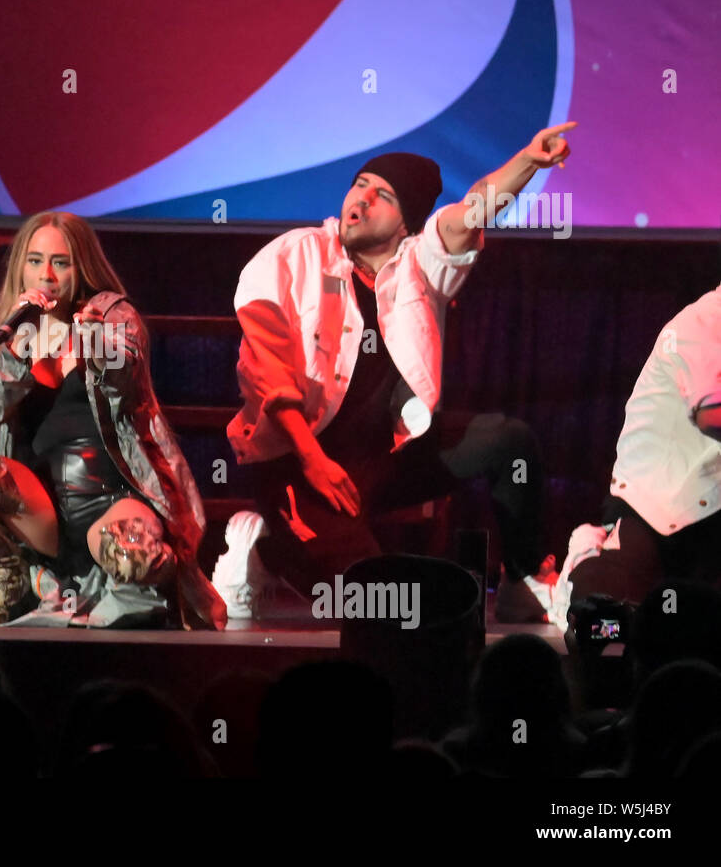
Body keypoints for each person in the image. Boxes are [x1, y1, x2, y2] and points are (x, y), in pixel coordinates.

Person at [228, 124, 577, 621]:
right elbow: (266, 367)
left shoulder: (420, 264)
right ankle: (262, 550)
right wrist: (310, 459)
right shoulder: (293, 255)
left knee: (508, 439)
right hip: (298, 461)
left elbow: (472, 209)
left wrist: (527, 161)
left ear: (405, 223)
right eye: (360, 184)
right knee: (377, 607)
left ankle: (521, 578)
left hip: (385, 462)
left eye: (383, 194)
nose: (362, 198)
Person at [0, 212, 225, 629]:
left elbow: (124, 381)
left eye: (60, 262)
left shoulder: (112, 319)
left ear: (80, 266)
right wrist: (16, 348)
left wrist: (90, 340)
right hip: (40, 509)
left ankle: (134, 587)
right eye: (34, 261)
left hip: (110, 502)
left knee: (133, 556)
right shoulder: (4, 327)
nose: (45, 275)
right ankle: (11, 583)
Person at [564, 286, 721, 604]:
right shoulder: (702, 323)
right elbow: (711, 414)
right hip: (658, 509)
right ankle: (586, 557)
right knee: (607, 623)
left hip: (711, 508)